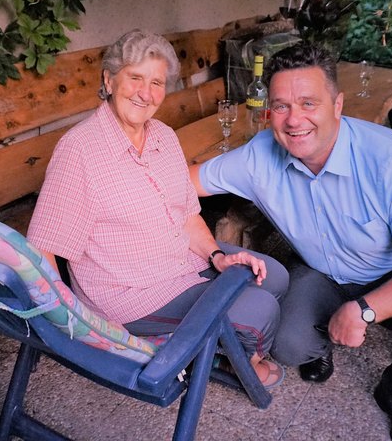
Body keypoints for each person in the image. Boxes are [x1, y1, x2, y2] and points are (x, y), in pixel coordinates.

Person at [189, 41, 392, 440]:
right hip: (322, 273)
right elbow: (183, 181)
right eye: (281, 106)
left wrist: (364, 310)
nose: (293, 119)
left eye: (308, 103)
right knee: (286, 346)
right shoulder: (259, 155)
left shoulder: (388, 159)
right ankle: (321, 347)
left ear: (337, 105)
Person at [27, 29, 288, 388]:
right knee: (260, 309)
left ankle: (225, 348)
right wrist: (71, 327)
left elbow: (186, 214)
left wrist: (216, 256)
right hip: (132, 294)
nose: (146, 94)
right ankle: (240, 358)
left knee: (274, 275)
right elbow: (44, 245)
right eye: (135, 78)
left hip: (182, 263)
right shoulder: (79, 151)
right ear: (109, 79)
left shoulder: (164, 136)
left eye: (157, 82)